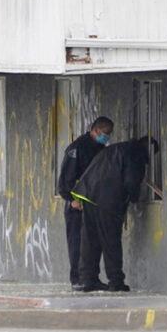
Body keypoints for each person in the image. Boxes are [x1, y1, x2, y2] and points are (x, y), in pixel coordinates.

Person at [71, 135, 152, 293]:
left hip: (88, 195)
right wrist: (135, 197)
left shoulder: (116, 148)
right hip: (107, 200)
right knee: (111, 241)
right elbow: (131, 181)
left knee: (90, 240)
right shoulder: (136, 154)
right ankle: (116, 281)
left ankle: (88, 279)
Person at [56, 117, 113, 290]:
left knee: (93, 244)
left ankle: (91, 278)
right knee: (77, 243)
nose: (107, 137)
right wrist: (71, 199)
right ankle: (77, 279)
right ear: (95, 130)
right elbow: (65, 180)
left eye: (109, 134)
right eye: (104, 134)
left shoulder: (100, 149)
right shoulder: (77, 149)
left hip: (94, 204)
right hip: (77, 205)